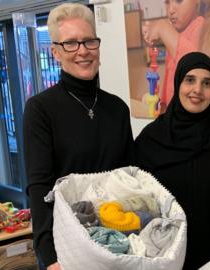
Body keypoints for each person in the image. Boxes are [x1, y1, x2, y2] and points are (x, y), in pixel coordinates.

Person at [23, 4, 134, 270]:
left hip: (115, 240)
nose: (82, 50)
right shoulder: (40, 109)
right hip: (67, 247)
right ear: (56, 52)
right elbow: (39, 188)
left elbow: (128, 177)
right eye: (70, 43)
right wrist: (49, 257)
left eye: (88, 41)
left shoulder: (117, 109)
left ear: (98, 46)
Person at [134, 52, 210, 269]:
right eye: (190, 80)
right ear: (178, 83)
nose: (197, 90)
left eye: (207, 83)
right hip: (167, 252)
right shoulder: (151, 138)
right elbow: (134, 196)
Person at [142, 0, 210, 113]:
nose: (170, 10)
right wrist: (163, 104)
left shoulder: (201, 26)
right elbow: (170, 78)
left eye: (178, 1)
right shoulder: (176, 34)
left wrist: (163, 28)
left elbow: (193, 66)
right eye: (167, 2)